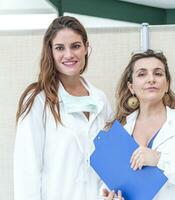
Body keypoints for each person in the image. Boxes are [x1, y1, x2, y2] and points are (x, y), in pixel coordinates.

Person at [14, 16, 121, 200]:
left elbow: (112, 162)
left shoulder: (100, 99)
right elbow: (26, 170)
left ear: (86, 47)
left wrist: (110, 191)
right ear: (50, 51)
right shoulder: (38, 100)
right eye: (60, 48)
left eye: (76, 46)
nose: (69, 54)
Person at [107, 49, 175, 200]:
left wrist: (160, 159)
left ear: (167, 84)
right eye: (142, 74)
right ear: (131, 87)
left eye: (158, 73)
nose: (151, 79)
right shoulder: (120, 133)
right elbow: (110, 184)